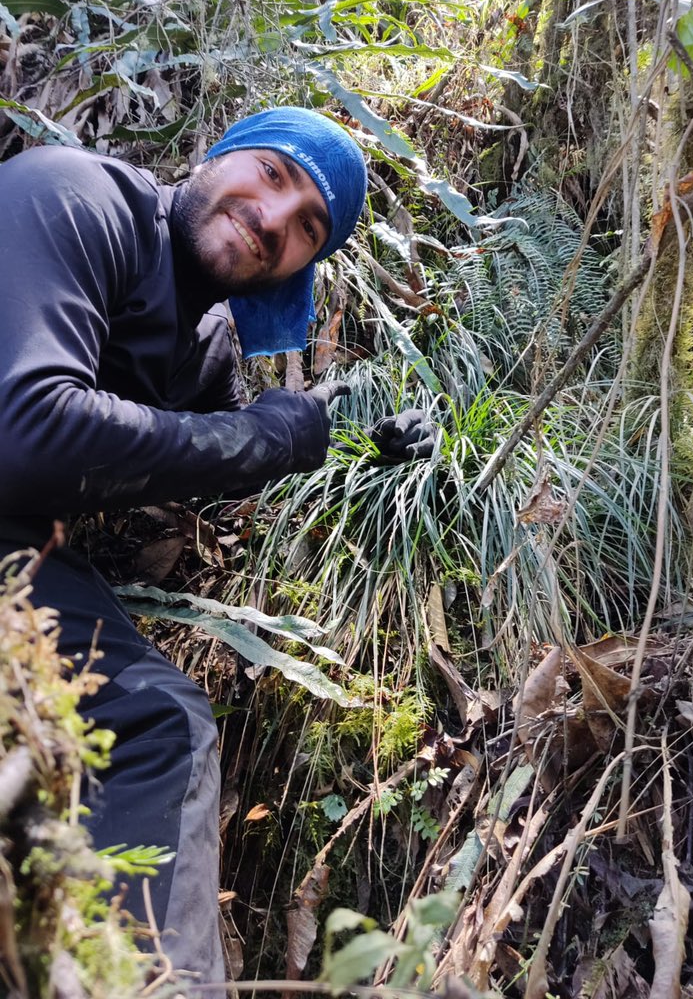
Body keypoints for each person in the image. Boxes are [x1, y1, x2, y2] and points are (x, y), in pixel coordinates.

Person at [0, 107, 432, 989]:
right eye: (274, 175)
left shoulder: (203, 350)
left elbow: (228, 443)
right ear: (221, 153)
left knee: (164, 724)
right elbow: (27, 430)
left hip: (17, 558)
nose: (275, 218)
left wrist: (357, 440)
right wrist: (261, 441)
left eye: (309, 224)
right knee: (155, 722)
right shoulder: (77, 195)